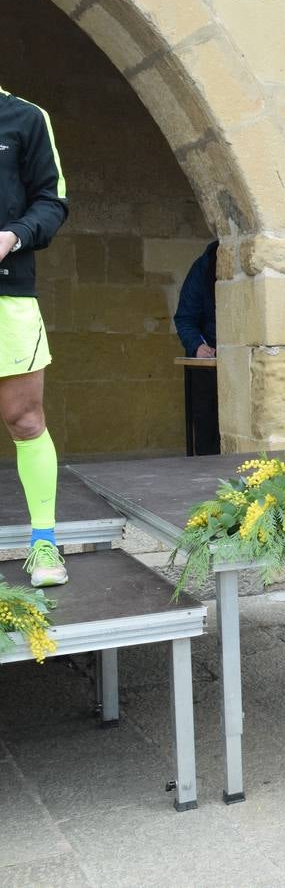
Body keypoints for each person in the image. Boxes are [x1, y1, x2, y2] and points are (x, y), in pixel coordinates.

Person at [0, 85, 69, 588]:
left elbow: (53, 199)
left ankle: (44, 543)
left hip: (9, 295)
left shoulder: (25, 117)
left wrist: (13, 235)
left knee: (25, 420)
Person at [172, 240, 221, 455]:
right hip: (208, 364)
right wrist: (198, 346)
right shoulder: (203, 267)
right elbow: (185, 318)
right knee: (207, 428)